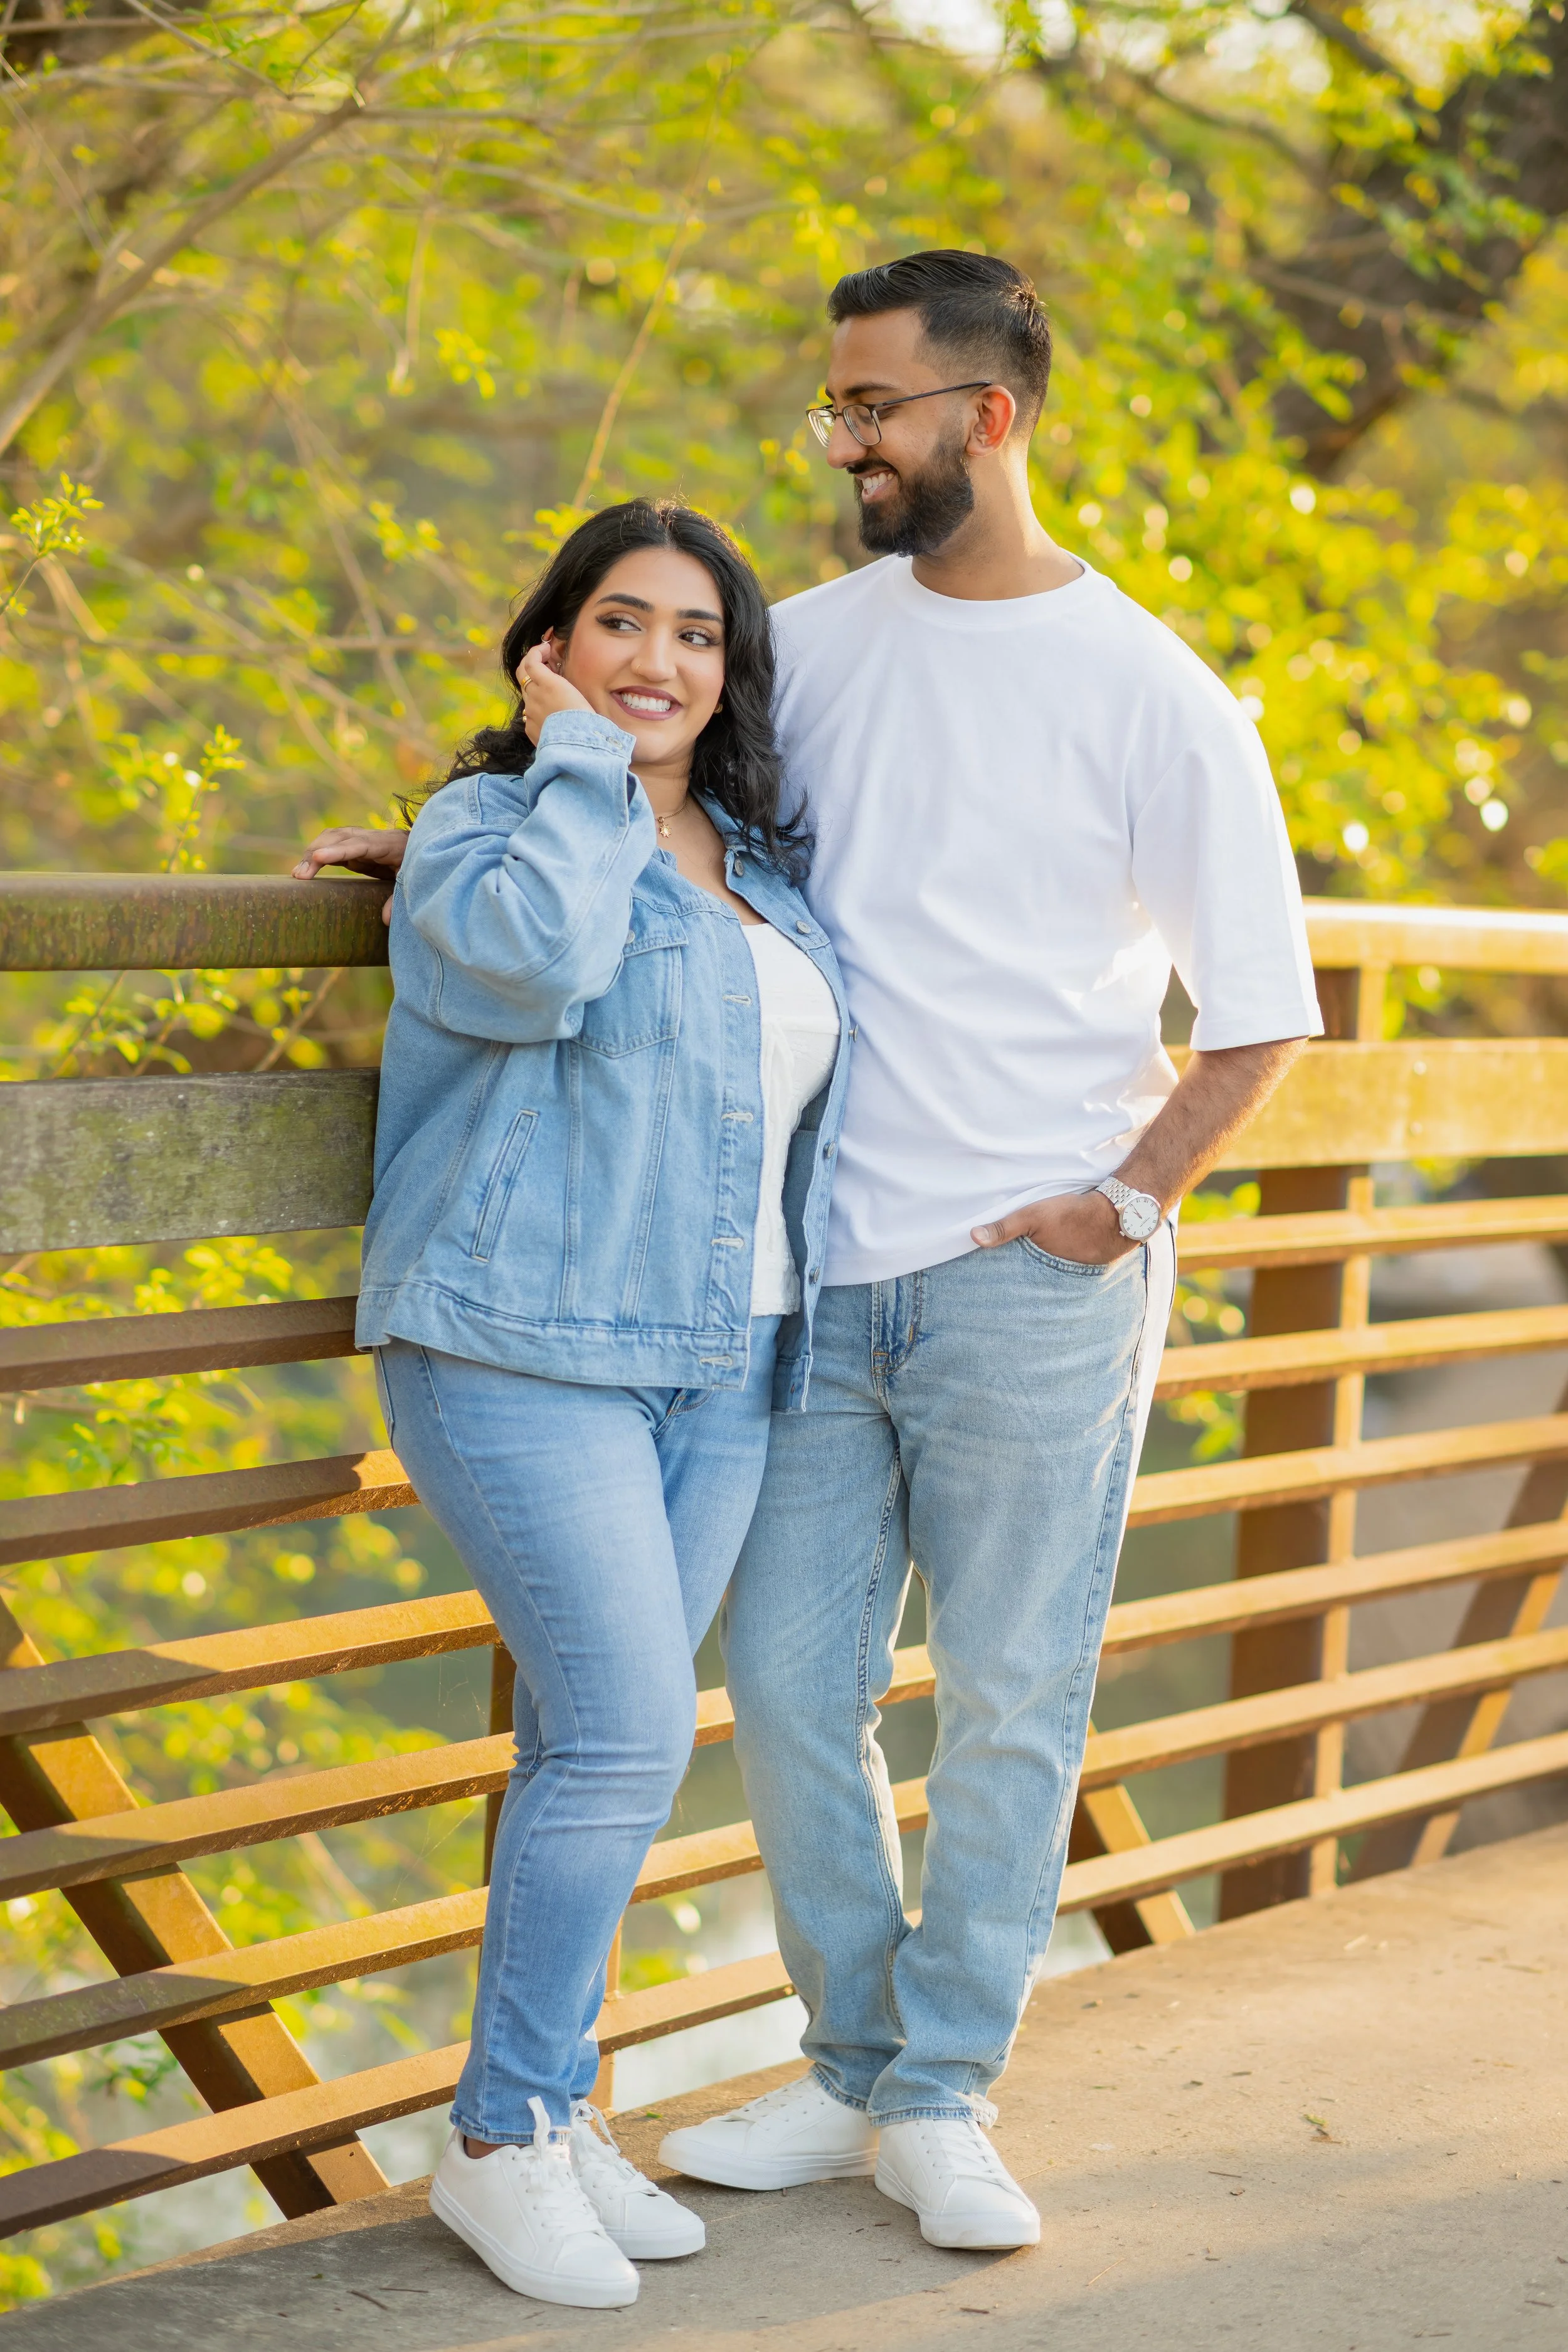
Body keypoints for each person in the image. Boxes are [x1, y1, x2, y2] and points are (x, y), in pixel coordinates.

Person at [299, 250, 1320, 2264]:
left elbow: (1268, 1012)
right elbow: (673, 822)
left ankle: (940, 2089)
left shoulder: (1154, 689)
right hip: (794, 1280)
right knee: (778, 1690)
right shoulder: (821, 647)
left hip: (1036, 1271)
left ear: (987, 419)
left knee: (1010, 1695)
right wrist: (452, 832)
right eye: (832, 408)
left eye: (872, 410)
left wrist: (1119, 1202)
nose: (838, 441)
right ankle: (849, 2055)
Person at [311, 499, 850, 2310]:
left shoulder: (764, 862)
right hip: (517, 1341)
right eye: (617, 624)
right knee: (623, 1732)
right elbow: (530, 966)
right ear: (550, 645)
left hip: (725, 1357)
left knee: (592, 1747)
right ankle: (495, 2133)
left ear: (730, 670)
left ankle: (542, 2116)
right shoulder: (494, 820)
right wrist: (560, 772)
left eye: (694, 635)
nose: (655, 661)